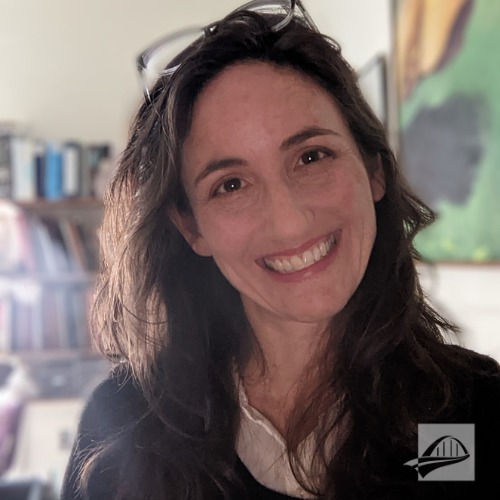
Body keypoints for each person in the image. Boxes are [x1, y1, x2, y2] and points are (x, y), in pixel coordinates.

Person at [61, 1, 500, 499]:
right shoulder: (121, 426)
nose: (290, 222)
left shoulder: (466, 415)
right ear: (191, 228)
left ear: (374, 169)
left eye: (312, 156)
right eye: (230, 185)